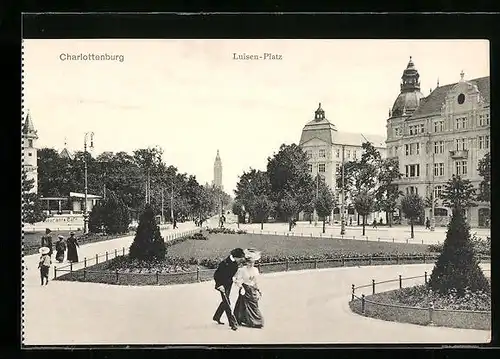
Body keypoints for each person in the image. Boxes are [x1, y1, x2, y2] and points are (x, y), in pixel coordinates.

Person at [212, 248, 246, 331]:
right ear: (236, 257)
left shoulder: (235, 263)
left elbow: (232, 275)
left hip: (228, 284)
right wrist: (219, 285)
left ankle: (216, 317)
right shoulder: (224, 263)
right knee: (227, 303)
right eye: (240, 259)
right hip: (221, 285)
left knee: (225, 301)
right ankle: (232, 324)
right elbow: (216, 275)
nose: (241, 260)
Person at [233, 249, 264, 328]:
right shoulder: (242, 270)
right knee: (243, 305)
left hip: (252, 289)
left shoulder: (255, 270)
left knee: (254, 305)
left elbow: (256, 281)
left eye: (253, 262)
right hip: (245, 288)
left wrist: (259, 290)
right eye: (250, 262)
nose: (251, 264)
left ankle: (256, 320)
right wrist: (241, 287)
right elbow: (237, 280)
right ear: (246, 262)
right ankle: (246, 320)